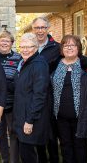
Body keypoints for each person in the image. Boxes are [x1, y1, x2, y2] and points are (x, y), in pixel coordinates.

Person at [51, 35, 87, 163]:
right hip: (60, 116)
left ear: (78, 48)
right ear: (62, 48)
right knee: (65, 146)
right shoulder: (55, 64)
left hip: (80, 117)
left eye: (72, 45)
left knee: (80, 147)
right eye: (66, 45)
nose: (69, 48)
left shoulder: (85, 64)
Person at [13, 33, 50, 163]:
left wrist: (29, 120)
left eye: (29, 47)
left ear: (36, 48)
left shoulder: (38, 65)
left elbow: (39, 95)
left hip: (31, 118)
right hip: (23, 115)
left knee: (29, 155)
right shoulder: (24, 62)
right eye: (22, 46)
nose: (25, 49)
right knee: (29, 154)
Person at [32, 17, 60, 163]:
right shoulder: (29, 47)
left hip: (51, 96)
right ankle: (42, 159)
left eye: (43, 27)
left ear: (48, 29)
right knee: (38, 130)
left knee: (51, 133)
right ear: (33, 29)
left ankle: (54, 159)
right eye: (37, 28)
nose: (40, 31)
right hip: (35, 96)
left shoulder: (56, 47)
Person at [0, 31, 22, 163]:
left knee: (13, 133)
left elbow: (20, 79)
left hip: (13, 104)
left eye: (8, 41)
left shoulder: (18, 58)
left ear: (12, 43)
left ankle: (13, 160)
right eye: (2, 40)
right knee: (0, 135)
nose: (4, 43)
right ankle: (5, 159)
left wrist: (6, 84)